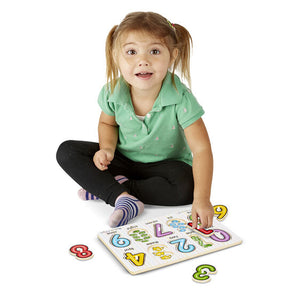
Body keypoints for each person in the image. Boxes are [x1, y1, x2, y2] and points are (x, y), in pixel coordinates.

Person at [56, 11, 214, 229]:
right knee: (67, 151)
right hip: (123, 160)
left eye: (155, 51)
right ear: (115, 56)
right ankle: (122, 198)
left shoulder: (181, 98)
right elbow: (107, 124)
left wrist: (202, 199)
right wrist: (107, 149)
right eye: (131, 52)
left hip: (165, 166)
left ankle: (111, 188)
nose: (143, 61)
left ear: (173, 55)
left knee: (187, 188)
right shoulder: (113, 91)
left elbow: (202, 150)